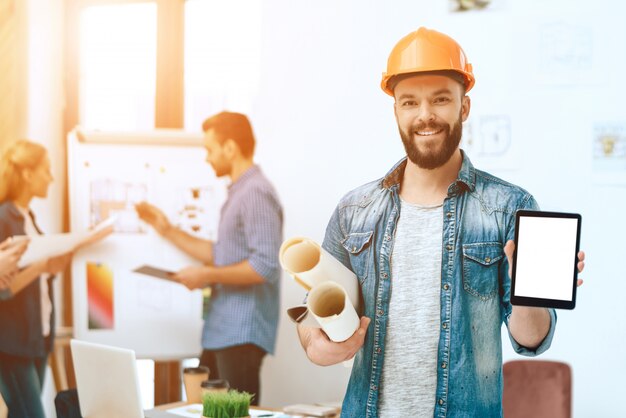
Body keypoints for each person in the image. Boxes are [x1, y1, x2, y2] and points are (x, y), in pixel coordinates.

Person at [296, 27, 586, 417]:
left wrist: (528, 293)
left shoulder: (508, 207)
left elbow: (531, 341)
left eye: (441, 99)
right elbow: (310, 317)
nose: (425, 115)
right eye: (410, 102)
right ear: (396, 110)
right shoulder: (354, 210)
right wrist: (319, 346)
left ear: (464, 107)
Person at [136, 111, 283, 405]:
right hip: (223, 331)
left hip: (241, 333)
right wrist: (166, 229)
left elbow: (265, 265)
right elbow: (221, 255)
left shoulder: (255, 192)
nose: (206, 157)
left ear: (230, 148)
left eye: (209, 149)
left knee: (234, 414)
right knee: (206, 409)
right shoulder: (240, 192)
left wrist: (205, 276)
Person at [0, 140, 75, 418]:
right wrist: (41, 265)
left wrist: (52, 265)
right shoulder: (3, 219)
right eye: (46, 170)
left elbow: (37, 277)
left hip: (38, 336)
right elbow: (3, 290)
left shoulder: (28, 217)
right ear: (28, 174)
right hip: (11, 342)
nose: (51, 178)